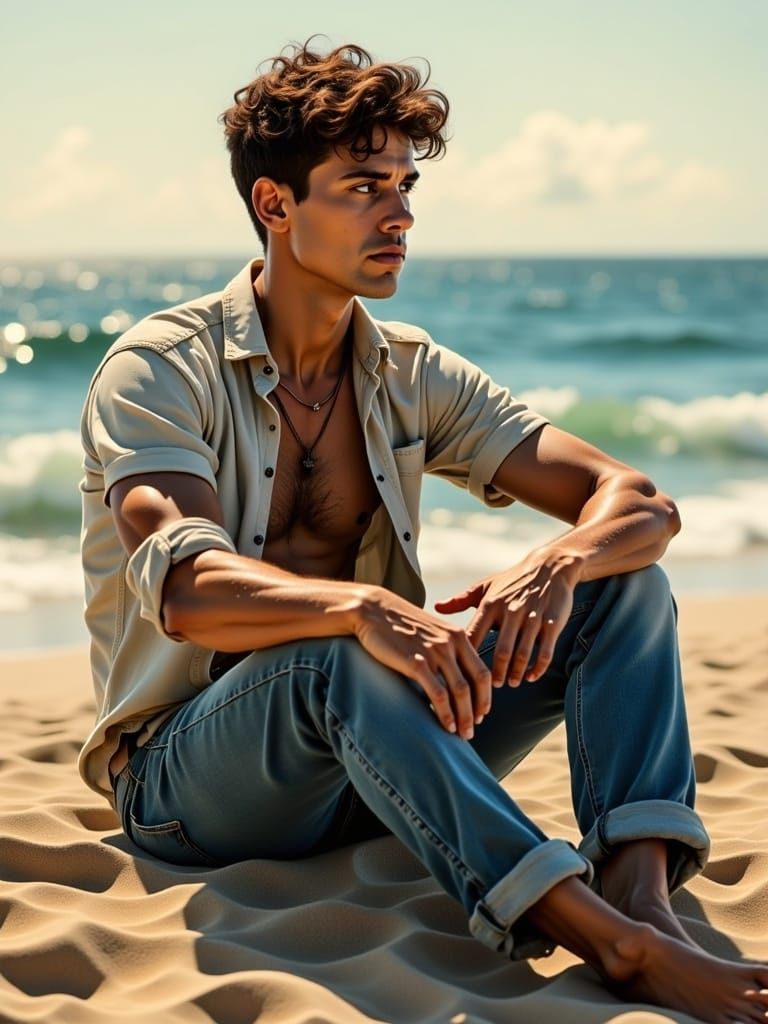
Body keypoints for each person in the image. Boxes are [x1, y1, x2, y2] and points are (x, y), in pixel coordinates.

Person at [78, 40, 768, 1024]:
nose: (399, 214)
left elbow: (640, 501)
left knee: (623, 582)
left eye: (405, 185)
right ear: (275, 204)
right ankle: (609, 943)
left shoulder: (409, 371)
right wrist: (365, 608)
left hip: (380, 761)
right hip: (189, 788)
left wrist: (558, 562)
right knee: (336, 651)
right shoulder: (159, 368)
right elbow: (187, 591)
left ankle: (639, 892)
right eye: (364, 187)